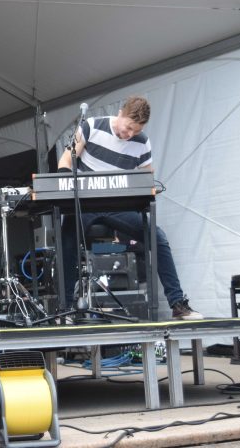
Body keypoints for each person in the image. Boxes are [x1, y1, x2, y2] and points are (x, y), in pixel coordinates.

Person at [58, 95, 202, 321]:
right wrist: (67, 182)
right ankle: (65, 309)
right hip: (85, 204)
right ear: (120, 114)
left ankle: (177, 304)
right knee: (65, 241)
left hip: (118, 206)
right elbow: (65, 161)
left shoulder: (142, 141)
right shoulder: (92, 126)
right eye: (128, 128)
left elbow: (146, 178)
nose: (130, 135)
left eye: (135, 131)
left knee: (158, 238)